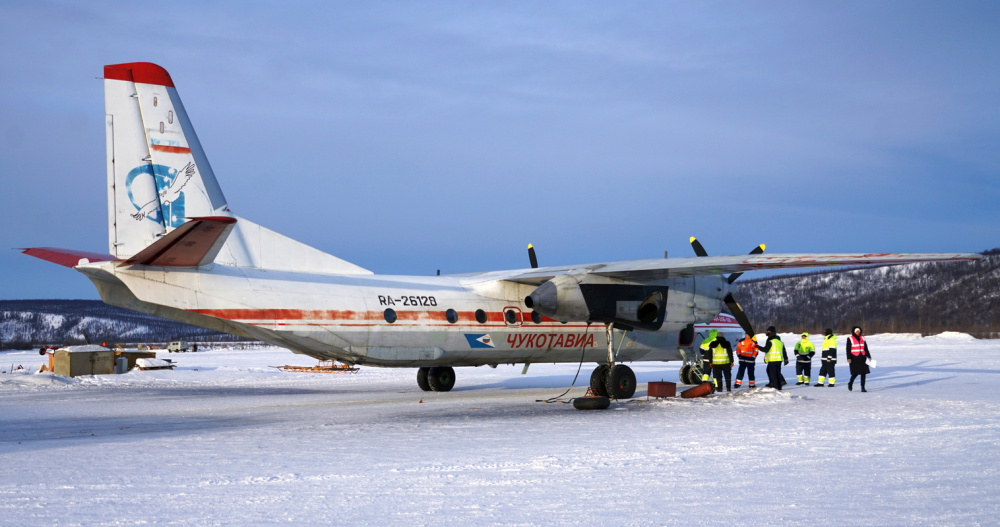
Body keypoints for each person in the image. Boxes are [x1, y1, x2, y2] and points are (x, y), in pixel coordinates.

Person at [847, 326, 873, 392]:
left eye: (858, 331)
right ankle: (850, 383)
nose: (858, 332)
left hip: (863, 357)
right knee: (855, 373)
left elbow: (866, 348)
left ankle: (863, 387)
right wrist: (849, 358)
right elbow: (848, 349)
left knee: (863, 373)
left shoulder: (863, 338)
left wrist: (869, 356)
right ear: (854, 332)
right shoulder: (850, 338)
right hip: (854, 358)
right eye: (856, 331)